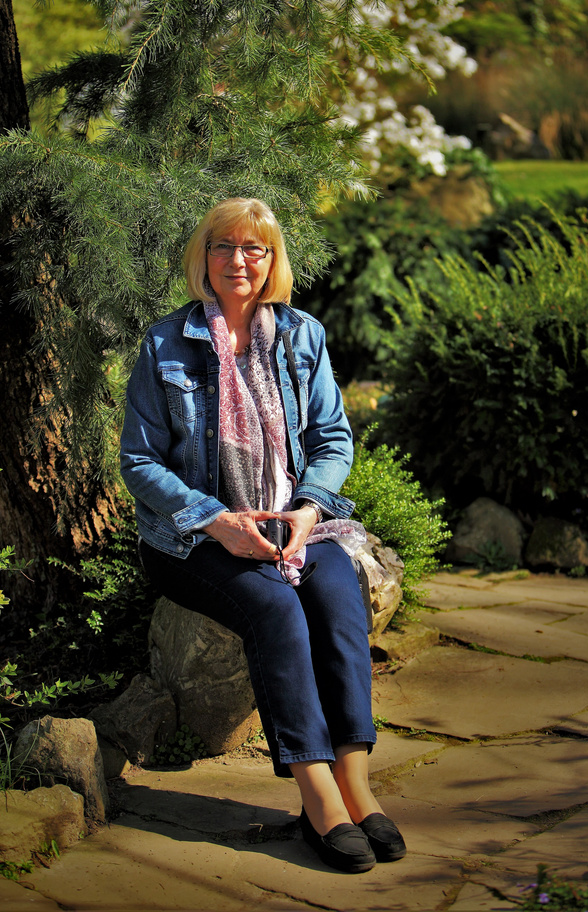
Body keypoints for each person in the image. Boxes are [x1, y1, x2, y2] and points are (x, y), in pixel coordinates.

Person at [120, 197, 406, 872]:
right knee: (277, 608)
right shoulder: (165, 344)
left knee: (339, 603)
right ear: (204, 256)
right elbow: (139, 462)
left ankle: (356, 785)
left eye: (256, 249)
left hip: (296, 523)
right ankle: (317, 799)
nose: (240, 260)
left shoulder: (302, 335)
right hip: (191, 538)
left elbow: (333, 438)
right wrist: (220, 522)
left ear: (273, 261)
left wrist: (308, 510)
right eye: (226, 246)